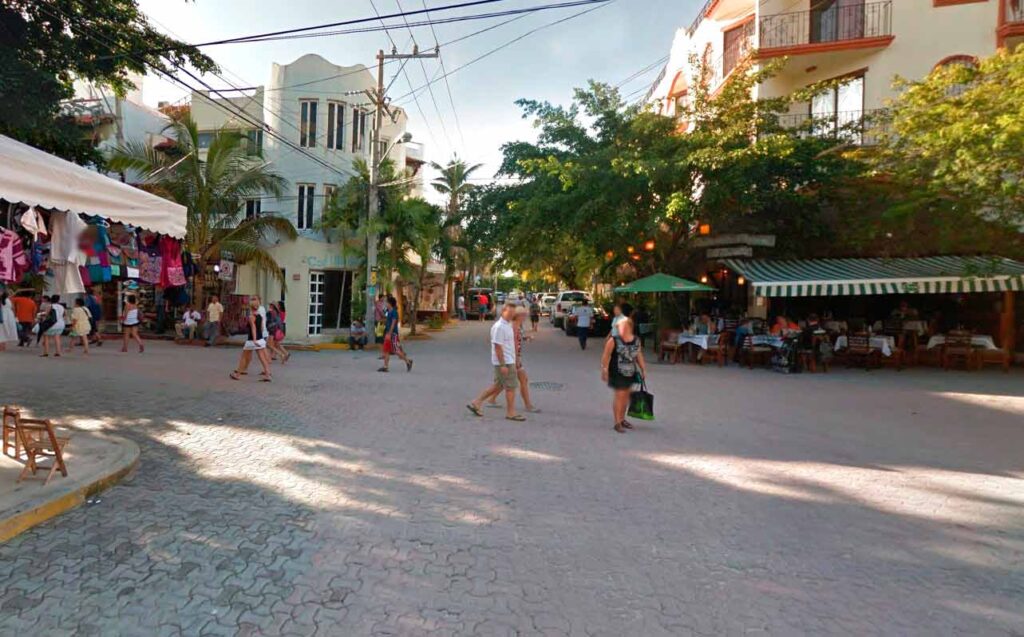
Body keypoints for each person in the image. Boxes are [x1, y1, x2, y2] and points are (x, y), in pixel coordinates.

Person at [466, 303, 525, 422]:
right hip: (505, 361)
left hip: (509, 360)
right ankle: (510, 412)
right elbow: (498, 346)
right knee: (511, 387)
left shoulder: (507, 325)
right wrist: (503, 364)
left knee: (498, 385)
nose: (512, 315)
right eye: (510, 312)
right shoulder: (499, 327)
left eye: (513, 313)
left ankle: (476, 402)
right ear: (503, 311)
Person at [601, 308, 647, 433]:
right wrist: (604, 369)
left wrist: (643, 369)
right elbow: (606, 356)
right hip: (617, 371)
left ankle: (622, 419)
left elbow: (638, 355)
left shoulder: (636, 340)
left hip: (631, 371)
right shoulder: (613, 340)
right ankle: (617, 422)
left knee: (626, 396)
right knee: (619, 396)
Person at [487, 306, 540, 413]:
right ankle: (528, 405)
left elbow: (517, 339)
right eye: (524, 315)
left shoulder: (516, 326)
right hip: (512, 358)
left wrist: (525, 338)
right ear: (518, 316)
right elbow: (514, 344)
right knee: (520, 381)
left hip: (513, 357)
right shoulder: (514, 326)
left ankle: (489, 399)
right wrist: (517, 360)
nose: (525, 317)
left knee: (503, 382)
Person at [231, 296, 272, 382]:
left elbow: (253, 328)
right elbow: (260, 328)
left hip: (252, 340)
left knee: (244, 357)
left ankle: (237, 374)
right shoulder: (260, 316)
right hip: (260, 338)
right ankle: (267, 374)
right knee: (262, 358)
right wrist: (259, 338)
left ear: (250, 307)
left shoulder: (251, 317)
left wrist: (254, 339)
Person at [379, 296, 413, 372]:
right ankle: (385, 366)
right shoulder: (389, 311)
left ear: (390, 303)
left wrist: (390, 333)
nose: (385, 304)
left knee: (395, 350)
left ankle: (408, 361)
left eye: (386, 302)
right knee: (386, 350)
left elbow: (394, 323)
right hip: (388, 333)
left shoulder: (394, 312)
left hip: (392, 334)